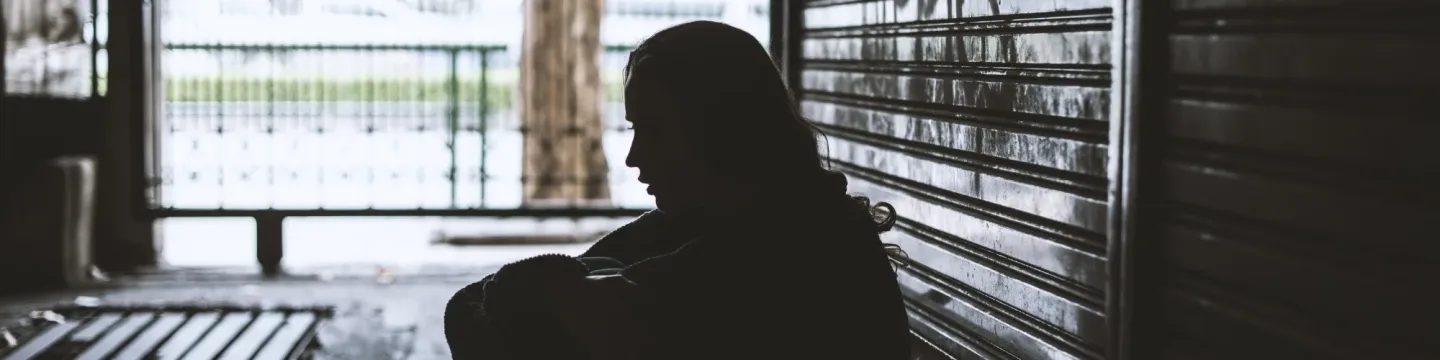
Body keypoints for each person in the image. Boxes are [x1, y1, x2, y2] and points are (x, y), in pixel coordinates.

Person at [444, 20, 912, 360]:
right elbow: (466, 311)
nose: (634, 157)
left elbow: (479, 317)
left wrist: (571, 291)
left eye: (656, 132)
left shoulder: (780, 252)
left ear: (722, 129)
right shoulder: (726, 222)